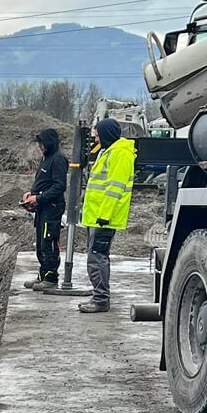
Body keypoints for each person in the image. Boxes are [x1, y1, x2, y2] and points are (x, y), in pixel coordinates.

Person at [77, 118, 135, 313]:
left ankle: (100, 299)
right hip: (96, 216)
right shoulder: (109, 152)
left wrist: (104, 215)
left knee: (97, 257)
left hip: (103, 218)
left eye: (98, 136)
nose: (95, 139)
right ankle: (99, 295)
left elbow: (114, 188)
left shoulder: (120, 154)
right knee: (96, 257)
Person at [23, 128, 68, 291]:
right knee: (41, 243)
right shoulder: (47, 158)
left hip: (52, 208)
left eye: (42, 143)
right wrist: (32, 194)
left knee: (48, 242)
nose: (40, 147)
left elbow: (59, 186)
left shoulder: (58, 159)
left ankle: (51, 277)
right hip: (43, 208)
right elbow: (44, 182)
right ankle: (43, 275)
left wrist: (39, 198)